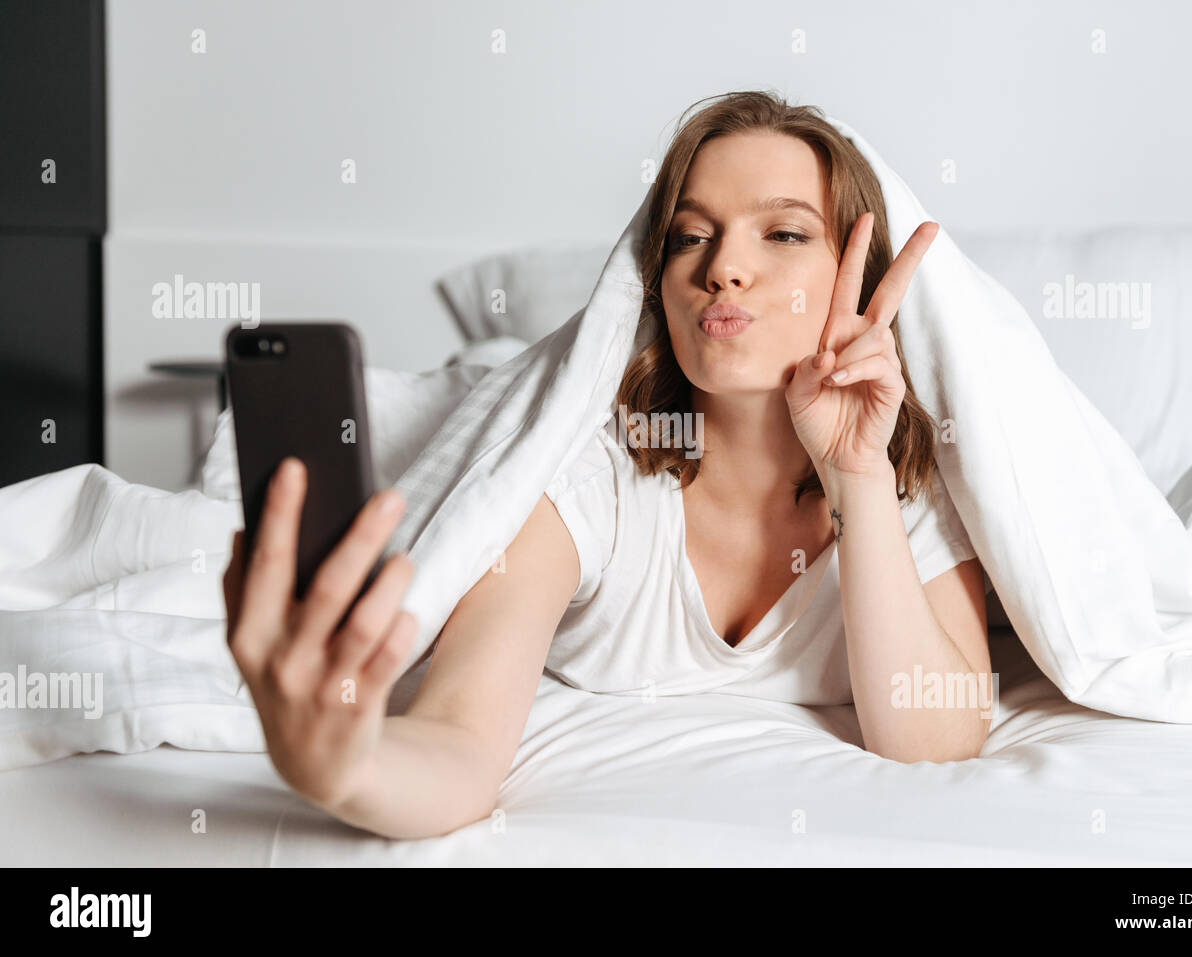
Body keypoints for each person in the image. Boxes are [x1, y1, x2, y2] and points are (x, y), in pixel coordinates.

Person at [222, 91, 991, 841]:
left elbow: (935, 736)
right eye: (691, 237)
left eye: (784, 234)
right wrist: (343, 767)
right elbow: (458, 740)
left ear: (859, 277)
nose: (723, 266)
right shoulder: (589, 480)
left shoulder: (906, 476)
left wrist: (854, 474)